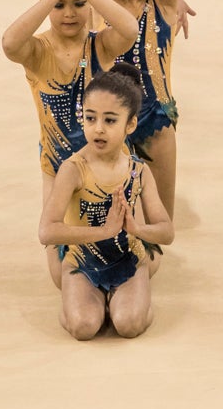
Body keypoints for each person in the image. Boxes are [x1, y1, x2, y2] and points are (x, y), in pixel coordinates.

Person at [2, 0, 138, 286]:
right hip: (58, 170)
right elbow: (8, 43)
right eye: (59, 5)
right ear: (44, 3)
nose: (69, 13)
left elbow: (129, 29)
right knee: (61, 280)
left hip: (104, 167)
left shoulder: (99, 46)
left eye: (78, 4)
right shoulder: (36, 51)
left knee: (117, 267)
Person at [39, 62, 174, 339]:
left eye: (110, 120)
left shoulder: (138, 170)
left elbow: (166, 231)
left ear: (131, 123)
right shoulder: (73, 169)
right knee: (83, 326)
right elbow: (47, 231)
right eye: (90, 118)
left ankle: (125, 299)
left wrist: (136, 229)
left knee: (128, 324)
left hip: (127, 256)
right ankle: (91, 300)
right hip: (83, 259)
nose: (98, 129)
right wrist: (104, 231)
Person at [102, 0, 180, 217]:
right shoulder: (101, 0)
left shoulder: (165, 1)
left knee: (159, 219)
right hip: (108, 123)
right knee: (114, 220)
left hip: (156, 119)